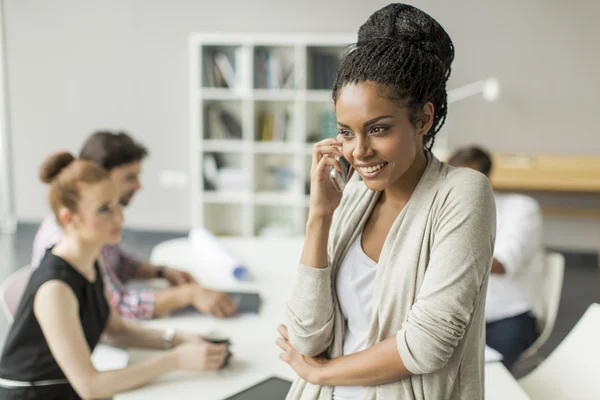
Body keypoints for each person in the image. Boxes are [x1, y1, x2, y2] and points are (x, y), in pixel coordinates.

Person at [276, 4, 496, 400]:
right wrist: (319, 215)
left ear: (424, 119)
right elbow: (306, 335)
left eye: (378, 129)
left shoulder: (463, 193)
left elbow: (427, 345)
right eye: (346, 132)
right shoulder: (353, 195)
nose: (358, 152)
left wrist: (321, 372)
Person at [0, 152, 230, 399]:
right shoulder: (55, 289)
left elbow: (116, 331)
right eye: (104, 209)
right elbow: (91, 387)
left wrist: (181, 339)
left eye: (117, 204)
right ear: (69, 218)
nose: (119, 217)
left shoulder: (90, 261)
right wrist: (175, 360)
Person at [31, 131, 236, 320]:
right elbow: (116, 308)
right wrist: (188, 295)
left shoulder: (96, 224)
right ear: (99, 177)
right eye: (130, 178)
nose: (139, 186)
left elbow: (116, 262)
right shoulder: (71, 238)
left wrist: (161, 272)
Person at [447, 145, 542, 368]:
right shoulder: (444, 211)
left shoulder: (521, 208)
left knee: (486, 374)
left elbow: (500, 264)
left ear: (486, 178)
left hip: (508, 315)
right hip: (456, 316)